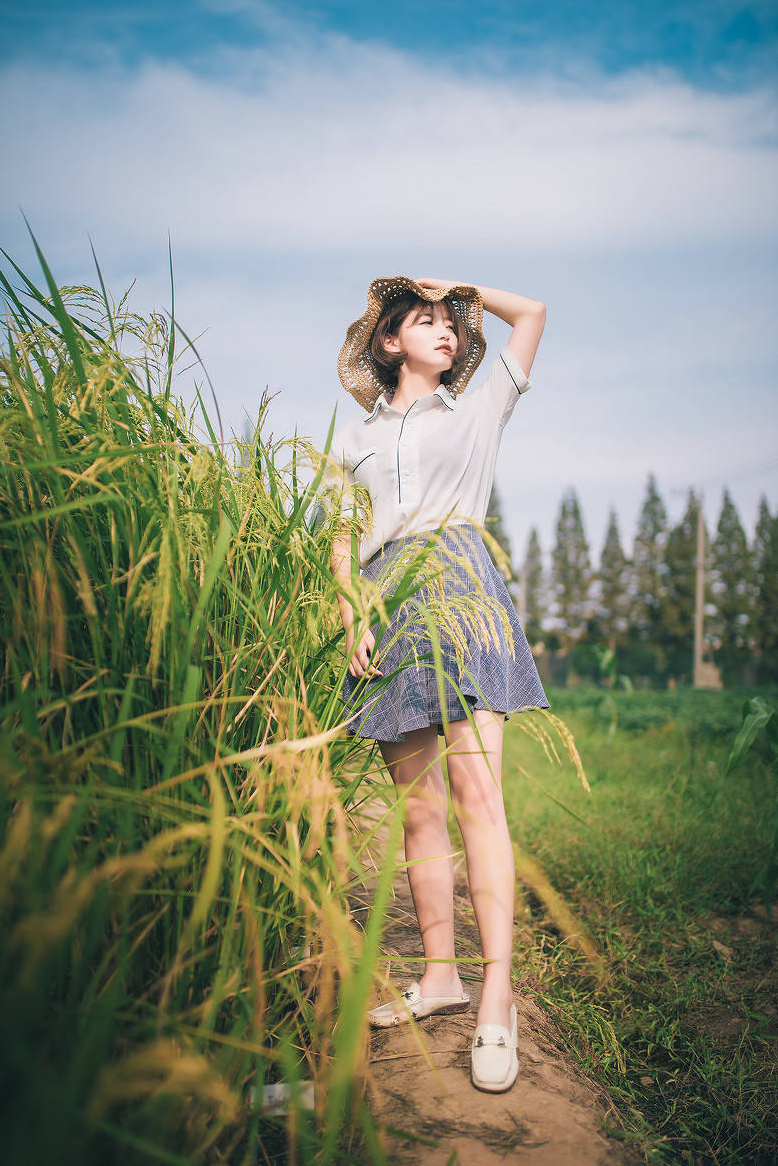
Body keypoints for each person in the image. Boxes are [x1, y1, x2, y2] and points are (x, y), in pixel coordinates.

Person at [323, 275, 549, 1093]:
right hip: (389, 603)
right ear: (389, 343)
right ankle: (442, 977)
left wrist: (451, 284)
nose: (448, 330)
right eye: (426, 321)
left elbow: (531, 314)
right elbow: (345, 537)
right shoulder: (353, 436)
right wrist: (353, 614)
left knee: (477, 796)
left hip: (461, 587)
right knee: (417, 810)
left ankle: (496, 995)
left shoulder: (481, 407)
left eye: (452, 323)